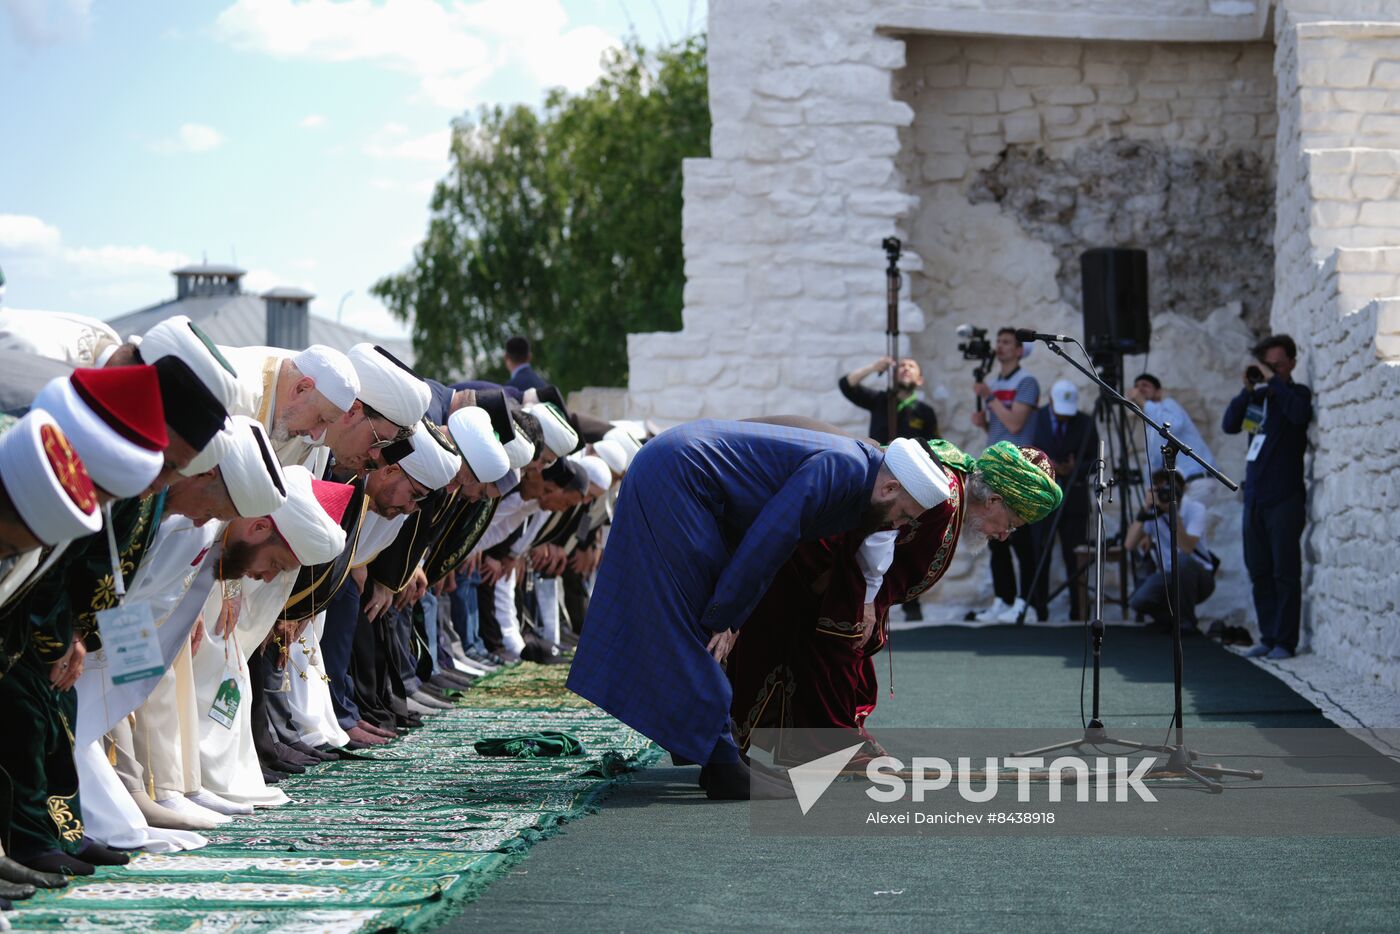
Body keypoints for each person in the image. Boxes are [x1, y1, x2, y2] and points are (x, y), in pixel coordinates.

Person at [567, 419, 950, 801]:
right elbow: (773, 535)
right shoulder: (843, 468)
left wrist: (734, 608)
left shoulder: (859, 476)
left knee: (702, 617)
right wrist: (729, 615)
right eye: (903, 515)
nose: (899, 525)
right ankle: (720, 765)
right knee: (697, 624)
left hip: (687, 481)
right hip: (676, 475)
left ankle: (713, 752)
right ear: (890, 487)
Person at [729, 438, 1061, 765]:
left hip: (844, 577)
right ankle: (828, 747)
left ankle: (822, 742)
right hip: (826, 572)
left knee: (826, 653)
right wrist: (869, 600)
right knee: (823, 646)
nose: (1004, 536)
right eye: (1012, 525)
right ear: (994, 500)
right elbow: (881, 524)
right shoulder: (944, 497)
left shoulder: (953, 487)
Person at [1222, 334, 1313, 659]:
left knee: (1284, 571)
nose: (1271, 370)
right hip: (1255, 496)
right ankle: (1269, 635)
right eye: (1267, 365)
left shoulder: (1297, 394)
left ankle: (1285, 641)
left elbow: (1300, 416)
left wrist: (1277, 383)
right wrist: (1247, 389)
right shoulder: (1258, 399)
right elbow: (1230, 425)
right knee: (1259, 569)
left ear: (1290, 363)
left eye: (1276, 364)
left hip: (1285, 496)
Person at [969, 327, 1040, 622]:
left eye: (1006, 342)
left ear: (1020, 350)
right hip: (996, 468)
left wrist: (990, 397)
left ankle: (1029, 604)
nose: (1000, 347)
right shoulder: (996, 382)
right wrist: (983, 422)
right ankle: (1003, 600)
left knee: (1022, 541)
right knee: (996, 538)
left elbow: (1014, 425)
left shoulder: (1027, 382)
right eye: (998, 341)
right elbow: (998, 429)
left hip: (1018, 470)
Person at [1028, 380, 1099, 621]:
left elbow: (1096, 461)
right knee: (1039, 553)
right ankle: (1039, 611)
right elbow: (1025, 451)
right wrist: (1048, 466)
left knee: (1075, 556)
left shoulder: (1086, 423)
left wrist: (1075, 468)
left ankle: (1079, 613)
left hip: (1074, 499)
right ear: (1050, 401)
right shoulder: (1036, 419)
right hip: (1041, 497)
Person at [1124, 469, 1219, 635]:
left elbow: (1187, 548)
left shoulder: (1195, 508)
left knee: (1181, 561)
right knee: (1137, 601)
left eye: (1171, 490)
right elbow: (1129, 544)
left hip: (1199, 577)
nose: (1166, 495)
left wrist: (1174, 514)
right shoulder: (1154, 512)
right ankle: (1172, 621)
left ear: (1181, 490)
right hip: (1168, 575)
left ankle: (1187, 624)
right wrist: (1145, 509)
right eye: (1162, 490)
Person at [1127, 373, 1216, 482]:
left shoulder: (1168, 405)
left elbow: (1173, 427)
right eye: (1136, 386)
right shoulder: (1152, 421)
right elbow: (1155, 461)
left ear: (1158, 392)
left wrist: (1144, 403)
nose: (1139, 389)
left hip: (1197, 478)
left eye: (1145, 385)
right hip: (1182, 484)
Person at [837, 356, 939, 445]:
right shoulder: (879, 399)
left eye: (911, 366)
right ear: (893, 376)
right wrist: (873, 367)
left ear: (920, 380)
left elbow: (934, 442)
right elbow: (846, 385)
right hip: (879, 462)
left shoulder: (926, 411)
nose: (906, 368)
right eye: (902, 365)